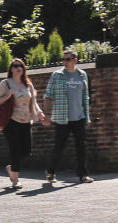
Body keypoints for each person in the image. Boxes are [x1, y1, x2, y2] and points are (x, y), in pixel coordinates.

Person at [0, 58, 45, 189]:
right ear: (11, 69)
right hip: (11, 121)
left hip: (26, 121)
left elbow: (33, 102)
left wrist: (39, 112)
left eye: (20, 66)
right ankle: (15, 180)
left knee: (27, 152)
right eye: (15, 66)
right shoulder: (5, 83)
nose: (18, 68)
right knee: (15, 150)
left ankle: (12, 168)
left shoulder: (28, 84)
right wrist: (8, 96)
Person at [44, 50, 94, 183]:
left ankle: (83, 175)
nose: (65, 62)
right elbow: (48, 95)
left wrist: (87, 117)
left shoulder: (82, 75)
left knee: (81, 147)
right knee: (59, 146)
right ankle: (51, 172)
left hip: (79, 116)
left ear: (75, 60)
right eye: (64, 59)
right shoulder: (57, 75)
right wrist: (47, 114)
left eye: (68, 59)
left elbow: (86, 97)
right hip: (62, 117)